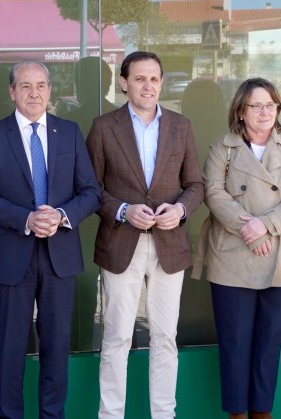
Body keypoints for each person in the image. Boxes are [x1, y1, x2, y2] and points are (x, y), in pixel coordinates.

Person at [0, 61, 103, 419]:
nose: (34, 93)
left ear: (50, 91)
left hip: (60, 254)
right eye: (25, 86)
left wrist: (60, 216)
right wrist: (26, 219)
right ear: (11, 91)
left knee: (57, 346)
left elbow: (91, 192)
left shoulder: (69, 132)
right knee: (11, 347)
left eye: (41, 85)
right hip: (13, 254)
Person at [86, 51, 205, 419]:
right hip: (122, 244)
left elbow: (196, 185)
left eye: (154, 78)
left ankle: (163, 414)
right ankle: (111, 415)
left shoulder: (180, 126)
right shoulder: (104, 127)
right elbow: (90, 188)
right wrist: (124, 210)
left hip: (169, 245)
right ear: (124, 83)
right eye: (140, 78)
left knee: (165, 338)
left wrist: (180, 210)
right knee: (117, 337)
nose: (148, 86)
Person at [193, 78, 281, 419]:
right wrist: (249, 228)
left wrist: (267, 226)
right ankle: (237, 414)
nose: (264, 112)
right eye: (256, 105)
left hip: (278, 255)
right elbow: (213, 192)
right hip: (232, 256)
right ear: (240, 111)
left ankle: (262, 413)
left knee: (268, 345)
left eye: (271, 105)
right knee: (234, 345)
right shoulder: (223, 147)